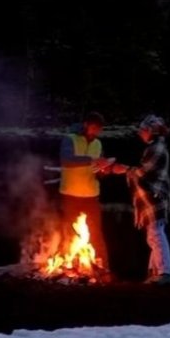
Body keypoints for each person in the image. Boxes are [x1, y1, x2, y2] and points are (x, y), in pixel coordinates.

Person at [112, 115, 170, 284]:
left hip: (155, 198)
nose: (140, 133)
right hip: (153, 199)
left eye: (143, 130)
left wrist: (124, 169)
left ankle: (165, 273)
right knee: (153, 236)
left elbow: (144, 173)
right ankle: (155, 272)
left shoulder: (156, 148)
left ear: (151, 131)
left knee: (156, 235)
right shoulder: (155, 147)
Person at [59, 112, 114, 266]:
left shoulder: (98, 144)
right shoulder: (70, 139)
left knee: (95, 233)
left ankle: (103, 267)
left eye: (99, 129)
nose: (96, 131)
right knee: (69, 232)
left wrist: (104, 170)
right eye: (94, 127)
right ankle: (68, 266)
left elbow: (98, 170)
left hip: (91, 196)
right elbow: (67, 160)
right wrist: (92, 160)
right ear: (86, 124)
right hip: (70, 194)